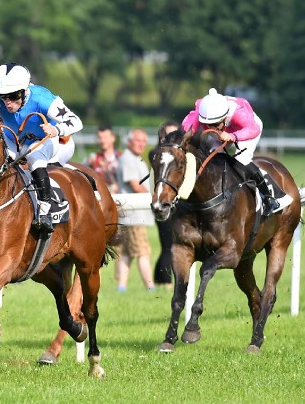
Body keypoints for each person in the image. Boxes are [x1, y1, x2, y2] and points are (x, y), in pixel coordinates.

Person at [0, 62, 83, 233]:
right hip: (14, 141)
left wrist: (55, 129)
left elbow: (76, 121)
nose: (7, 103)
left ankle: (45, 210)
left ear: (24, 91)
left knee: (34, 157)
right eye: (3, 97)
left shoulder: (42, 99)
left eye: (13, 96)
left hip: (48, 141)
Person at [182, 88, 293, 216]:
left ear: (224, 117)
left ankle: (271, 197)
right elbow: (184, 132)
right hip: (225, 129)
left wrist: (233, 136)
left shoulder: (239, 114)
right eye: (208, 124)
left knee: (240, 160)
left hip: (246, 129)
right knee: (215, 158)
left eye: (215, 124)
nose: (211, 128)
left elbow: (253, 129)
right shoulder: (201, 114)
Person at [115, 128, 155, 292]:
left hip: (131, 214)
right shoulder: (128, 158)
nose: (141, 144)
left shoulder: (135, 158)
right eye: (138, 141)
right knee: (143, 252)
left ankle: (121, 287)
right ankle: (150, 287)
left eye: (144, 141)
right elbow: (134, 184)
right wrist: (154, 195)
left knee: (127, 254)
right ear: (130, 141)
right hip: (134, 215)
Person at [148, 121, 180, 290]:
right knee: (168, 245)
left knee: (171, 245)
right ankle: (166, 282)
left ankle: (162, 280)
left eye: (176, 134)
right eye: (169, 135)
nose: (172, 139)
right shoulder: (157, 154)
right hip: (163, 203)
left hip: (175, 204)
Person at [83, 125, 120, 194]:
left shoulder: (121, 158)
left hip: (122, 198)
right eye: (100, 138)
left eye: (105, 137)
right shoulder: (92, 159)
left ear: (113, 138)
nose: (102, 141)